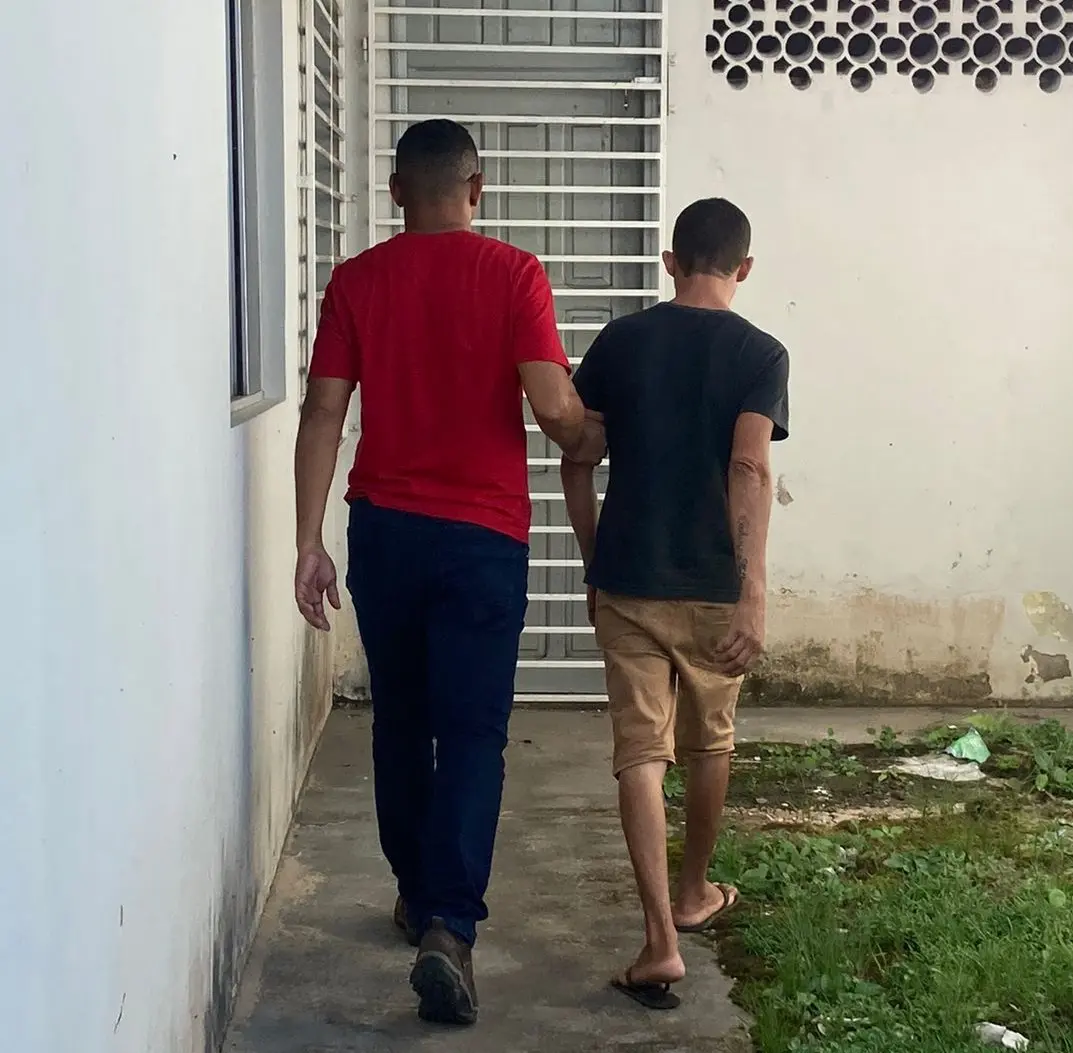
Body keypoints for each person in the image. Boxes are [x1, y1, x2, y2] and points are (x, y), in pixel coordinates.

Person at [293, 118, 604, 1026]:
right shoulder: (513, 274)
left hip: (384, 532)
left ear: (396, 193)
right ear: (477, 187)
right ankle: (449, 924)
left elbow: (321, 411)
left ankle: (412, 892)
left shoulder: (356, 281)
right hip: (482, 538)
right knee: (471, 733)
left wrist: (309, 539)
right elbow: (551, 405)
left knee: (401, 721)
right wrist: (592, 434)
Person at [560, 198, 789, 1011]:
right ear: (743, 267)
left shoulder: (621, 341)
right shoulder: (759, 353)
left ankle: (658, 939)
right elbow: (748, 467)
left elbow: (577, 456)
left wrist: (593, 558)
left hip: (629, 577)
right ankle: (693, 892)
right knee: (708, 739)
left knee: (639, 750)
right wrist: (752, 590)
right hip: (712, 582)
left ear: (669, 261)